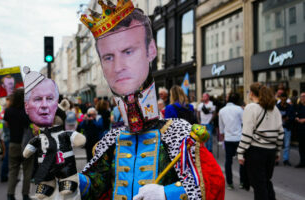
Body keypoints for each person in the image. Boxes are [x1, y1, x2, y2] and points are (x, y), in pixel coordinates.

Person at [77, 1, 225, 199]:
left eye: (128, 51)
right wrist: (72, 179)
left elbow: (211, 183)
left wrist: (168, 193)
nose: (119, 66)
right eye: (108, 57)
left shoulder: (180, 134)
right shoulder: (110, 140)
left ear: (151, 50)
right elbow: (97, 184)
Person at [21, 67, 85, 199]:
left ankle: (68, 180)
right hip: (46, 168)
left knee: (67, 186)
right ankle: (47, 184)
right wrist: (29, 148)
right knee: (45, 180)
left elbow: (76, 138)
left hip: (65, 166)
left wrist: (77, 138)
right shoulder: (41, 135)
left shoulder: (63, 133)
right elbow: (32, 145)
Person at [237, 83, 284, 200]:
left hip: (256, 151)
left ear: (252, 93)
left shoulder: (251, 108)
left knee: (258, 185)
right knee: (266, 182)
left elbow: (247, 133)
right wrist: (277, 152)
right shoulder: (274, 109)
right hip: (271, 152)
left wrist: (240, 152)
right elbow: (280, 133)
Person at [4, 88, 33, 200]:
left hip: (13, 143)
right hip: (26, 144)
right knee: (27, 170)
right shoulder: (28, 111)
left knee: (13, 170)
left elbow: (7, 125)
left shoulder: (8, 110)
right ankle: (25, 195)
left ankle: (10, 194)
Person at [218, 93, 245, 190]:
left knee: (228, 161)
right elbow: (244, 122)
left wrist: (222, 135)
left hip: (228, 138)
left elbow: (221, 126)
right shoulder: (239, 109)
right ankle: (242, 182)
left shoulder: (222, 111)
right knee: (241, 160)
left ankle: (229, 183)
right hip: (239, 137)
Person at [276, 92, 295, 166]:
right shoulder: (277, 107)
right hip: (278, 128)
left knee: (287, 145)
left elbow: (293, 117)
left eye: (285, 99)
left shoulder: (290, 107)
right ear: (280, 98)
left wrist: (288, 118)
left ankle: (285, 159)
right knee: (277, 144)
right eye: (282, 98)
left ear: (286, 99)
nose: (283, 100)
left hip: (287, 127)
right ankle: (276, 159)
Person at [295, 92, 305, 168]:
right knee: (301, 146)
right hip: (300, 129)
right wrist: (297, 118)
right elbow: (295, 114)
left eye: (304, 96)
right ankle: (302, 162)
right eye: (301, 96)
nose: (302, 98)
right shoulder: (299, 106)